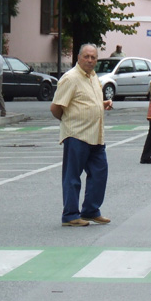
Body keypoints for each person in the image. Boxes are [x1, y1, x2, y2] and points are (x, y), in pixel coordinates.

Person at [50, 44, 113, 227]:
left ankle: (91, 210)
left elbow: (87, 101)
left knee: (100, 173)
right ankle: (70, 215)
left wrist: (101, 104)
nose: (90, 60)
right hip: (77, 134)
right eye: (86, 56)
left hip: (96, 134)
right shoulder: (70, 78)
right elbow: (55, 107)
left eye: (93, 57)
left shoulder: (93, 77)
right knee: (72, 176)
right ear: (78, 57)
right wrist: (69, 123)